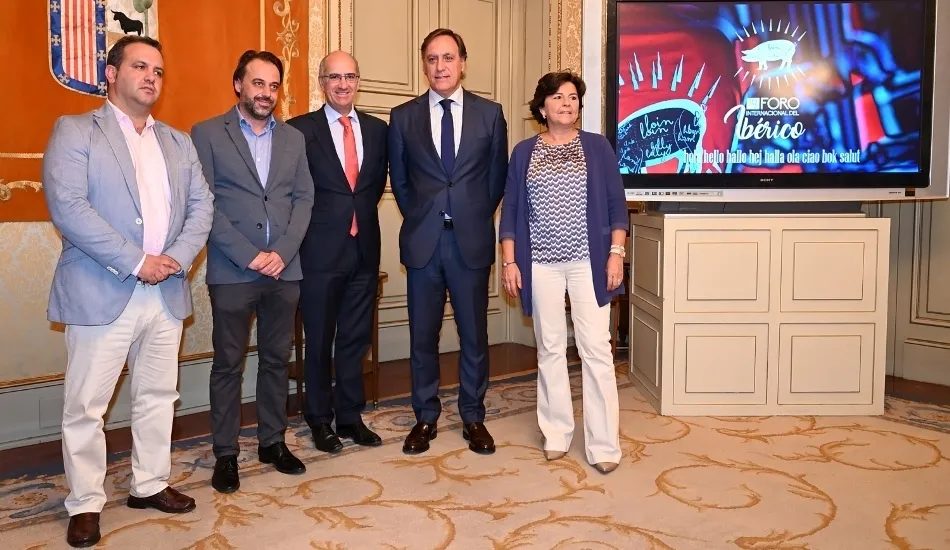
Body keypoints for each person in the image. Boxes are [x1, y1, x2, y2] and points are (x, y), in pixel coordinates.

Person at [43, 35, 214, 547]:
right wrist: (137, 261)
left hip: (165, 291)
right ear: (111, 74)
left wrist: (175, 261)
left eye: (158, 71)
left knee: (159, 395)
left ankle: (149, 482)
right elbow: (69, 208)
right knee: (86, 406)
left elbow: (202, 207)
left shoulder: (178, 142)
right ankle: (86, 503)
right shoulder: (76, 131)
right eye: (140, 67)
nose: (150, 78)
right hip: (103, 289)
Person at [191, 50, 315, 494]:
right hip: (232, 269)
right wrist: (247, 254)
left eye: (273, 85)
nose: (266, 93)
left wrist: (282, 251)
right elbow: (203, 204)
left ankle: (271, 442)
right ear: (238, 84)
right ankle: (226, 453)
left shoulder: (294, 139)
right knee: (227, 364)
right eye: (258, 83)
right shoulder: (206, 133)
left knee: (277, 361)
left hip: (285, 269)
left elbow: (304, 199)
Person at [498, 71, 628, 474]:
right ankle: (556, 433)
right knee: (550, 349)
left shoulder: (598, 147)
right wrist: (509, 260)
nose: (567, 103)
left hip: (589, 263)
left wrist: (616, 253)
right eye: (558, 97)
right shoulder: (523, 152)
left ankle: (604, 443)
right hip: (541, 265)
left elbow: (615, 205)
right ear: (542, 107)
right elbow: (512, 211)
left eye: (573, 97)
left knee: (596, 350)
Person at [388, 28, 508, 455]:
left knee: (474, 334)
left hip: (470, 241)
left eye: (448, 58)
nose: (440, 66)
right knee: (423, 335)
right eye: (432, 59)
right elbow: (401, 183)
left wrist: (470, 213)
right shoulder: (402, 117)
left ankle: (474, 416)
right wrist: (426, 215)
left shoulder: (490, 114)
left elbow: (496, 180)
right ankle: (425, 417)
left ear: (463, 63)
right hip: (423, 242)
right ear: (425, 65)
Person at [286, 51, 388, 453]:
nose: (342, 84)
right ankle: (319, 419)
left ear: (358, 81)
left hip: (364, 250)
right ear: (321, 82)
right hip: (317, 254)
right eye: (334, 77)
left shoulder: (379, 130)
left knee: (355, 338)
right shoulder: (298, 131)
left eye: (349, 76)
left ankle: (349, 416)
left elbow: (371, 188)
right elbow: (292, 193)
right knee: (320, 338)